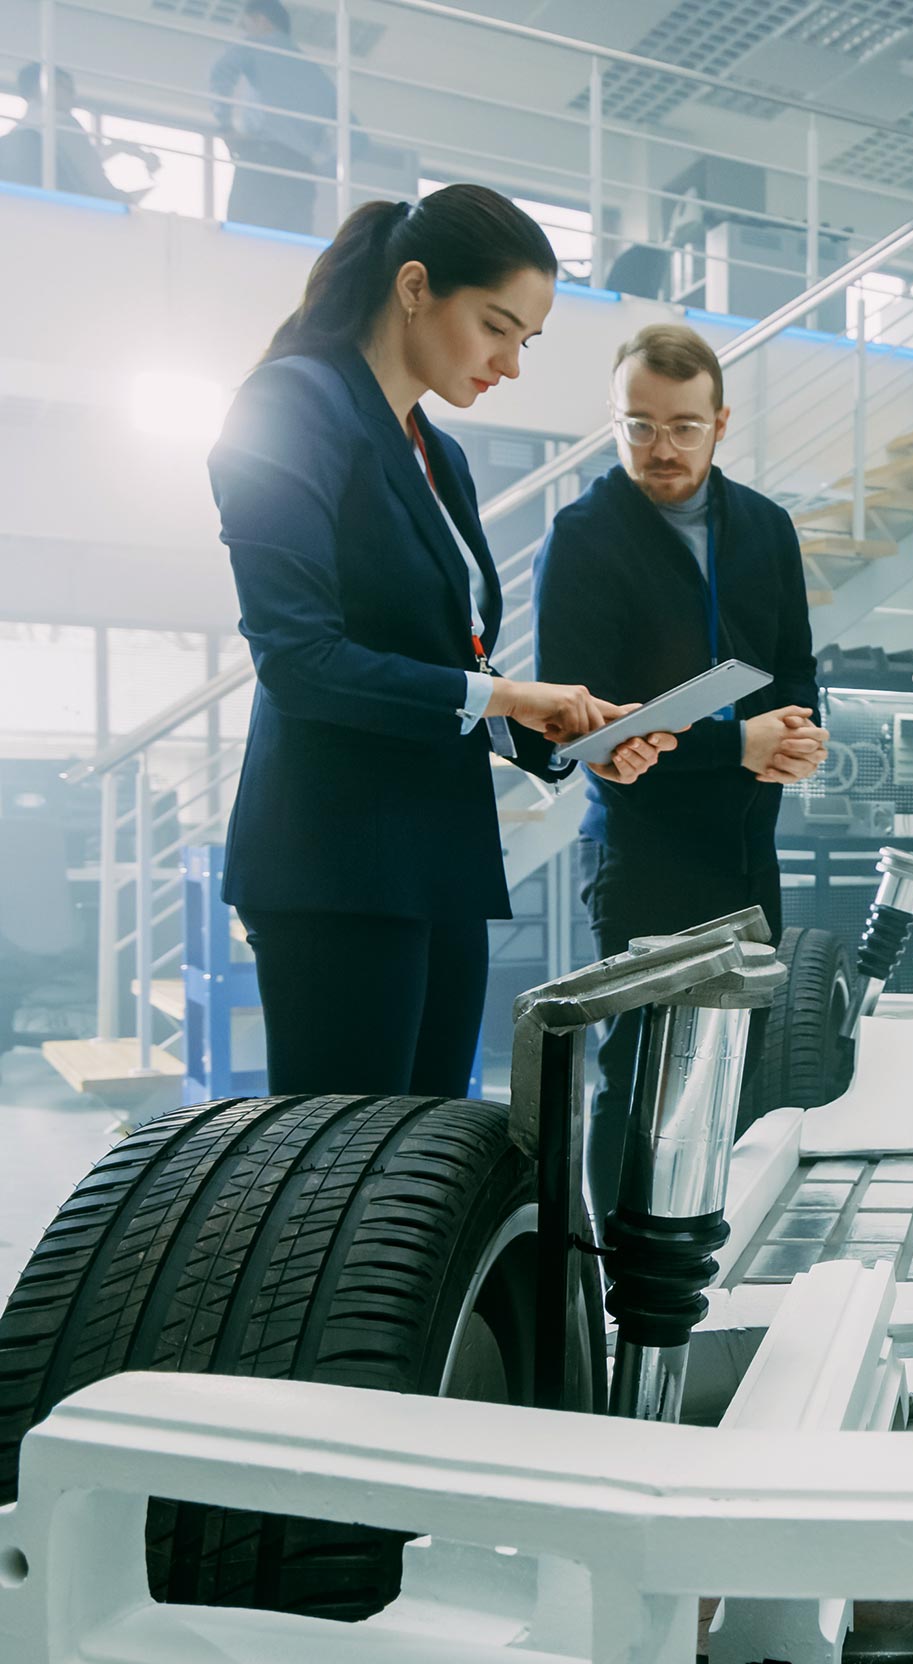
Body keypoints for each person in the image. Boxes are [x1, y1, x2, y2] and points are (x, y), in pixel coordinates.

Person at [208, 185, 676, 1098]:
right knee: (339, 1190)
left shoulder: (440, 453)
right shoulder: (289, 406)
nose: (509, 362)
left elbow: (449, 663)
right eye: (496, 326)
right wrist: (508, 696)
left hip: (439, 860)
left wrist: (561, 727)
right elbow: (301, 662)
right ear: (415, 286)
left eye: (525, 342)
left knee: (425, 1172)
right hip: (336, 862)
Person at [533, 323, 829, 1220]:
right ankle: (620, 1294)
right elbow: (579, 727)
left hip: (748, 852)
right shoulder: (583, 537)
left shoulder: (766, 528)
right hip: (644, 853)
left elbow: (795, 670)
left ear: (721, 421)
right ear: (614, 422)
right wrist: (735, 744)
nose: (661, 449)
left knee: (739, 1071)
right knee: (639, 1080)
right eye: (639, 426)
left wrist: (803, 736)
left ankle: (709, 1261)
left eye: (684, 426)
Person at [209, 0, 335, 236]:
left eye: (246, 25)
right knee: (291, 247)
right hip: (301, 173)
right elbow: (357, 137)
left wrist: (225, 125)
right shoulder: (318, 76)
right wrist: (324, 163)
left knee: (243, 239)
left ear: (261, 19)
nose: (246, 32)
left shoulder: (258, 47)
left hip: (261, 161)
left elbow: (221, 73)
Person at [0, 64, 157, 203]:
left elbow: (71, 161)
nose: (73, 96)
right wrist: (127, 201)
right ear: (47, 85)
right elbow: (93, 180)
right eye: (68, 89)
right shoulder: (63, 121)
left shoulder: (19, 132)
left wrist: (118, 148)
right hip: (68, 210)